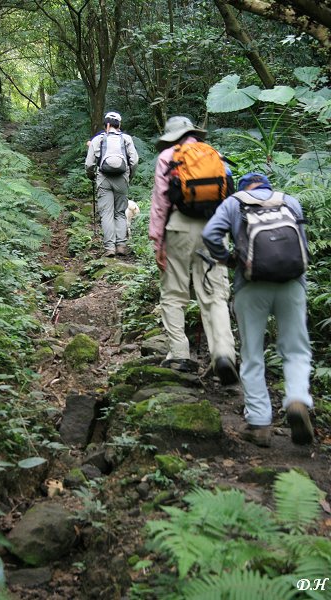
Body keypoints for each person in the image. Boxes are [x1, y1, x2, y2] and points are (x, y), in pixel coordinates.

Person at [202, 172, 314, 447]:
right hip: (292, 284)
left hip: (251, 286)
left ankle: (259, 423)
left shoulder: (234, 203)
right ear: (267, 187)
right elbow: (302, 244)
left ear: (243, 188)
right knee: (296, 350)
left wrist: (228, 260)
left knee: (252, 354)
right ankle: (297, 400)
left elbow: (210, 234)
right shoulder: (289, 201)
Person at [149, 116, 238, 384]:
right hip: (214, 230)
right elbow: (229, 196)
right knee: (215, 294)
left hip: (179, 228)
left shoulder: (168, 156)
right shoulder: (214, 154)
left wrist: (158, 241)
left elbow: (160, 203)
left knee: (174, 292)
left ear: (171, 137)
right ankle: (223, 353)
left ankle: (179, 353)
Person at [85, 111, 139, 257]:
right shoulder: (126, 139)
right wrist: (129, 176)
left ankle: (109, 248)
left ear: (105, 125)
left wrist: (91, 176)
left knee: (106, 214)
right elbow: (134, 161)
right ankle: (121, 246)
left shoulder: (98, 139)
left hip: (103, 179)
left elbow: (89, 163)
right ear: (119, 125)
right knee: (120, 212)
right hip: (122, 179)